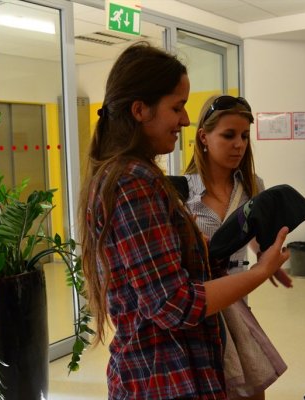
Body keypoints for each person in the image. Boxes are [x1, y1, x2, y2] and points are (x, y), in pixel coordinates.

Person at [79, 41, 290, 400]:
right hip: (163, 377)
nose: (185, 120)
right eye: (176, 107)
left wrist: (199, 253)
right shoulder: (134, 182)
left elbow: (157, 281)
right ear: (140, 110)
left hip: (173, 371)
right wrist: (259, 272)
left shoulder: (135, 177)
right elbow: (172, 304)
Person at [184, 94, 292, 399]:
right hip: (199, 308)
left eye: (244, 136)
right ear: (204, 137)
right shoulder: (182, 192)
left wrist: (268, 259)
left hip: (238, 302)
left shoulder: (253, 187)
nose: (239, 145)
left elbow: (258, 238)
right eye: (228, 135)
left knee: (251, 388)